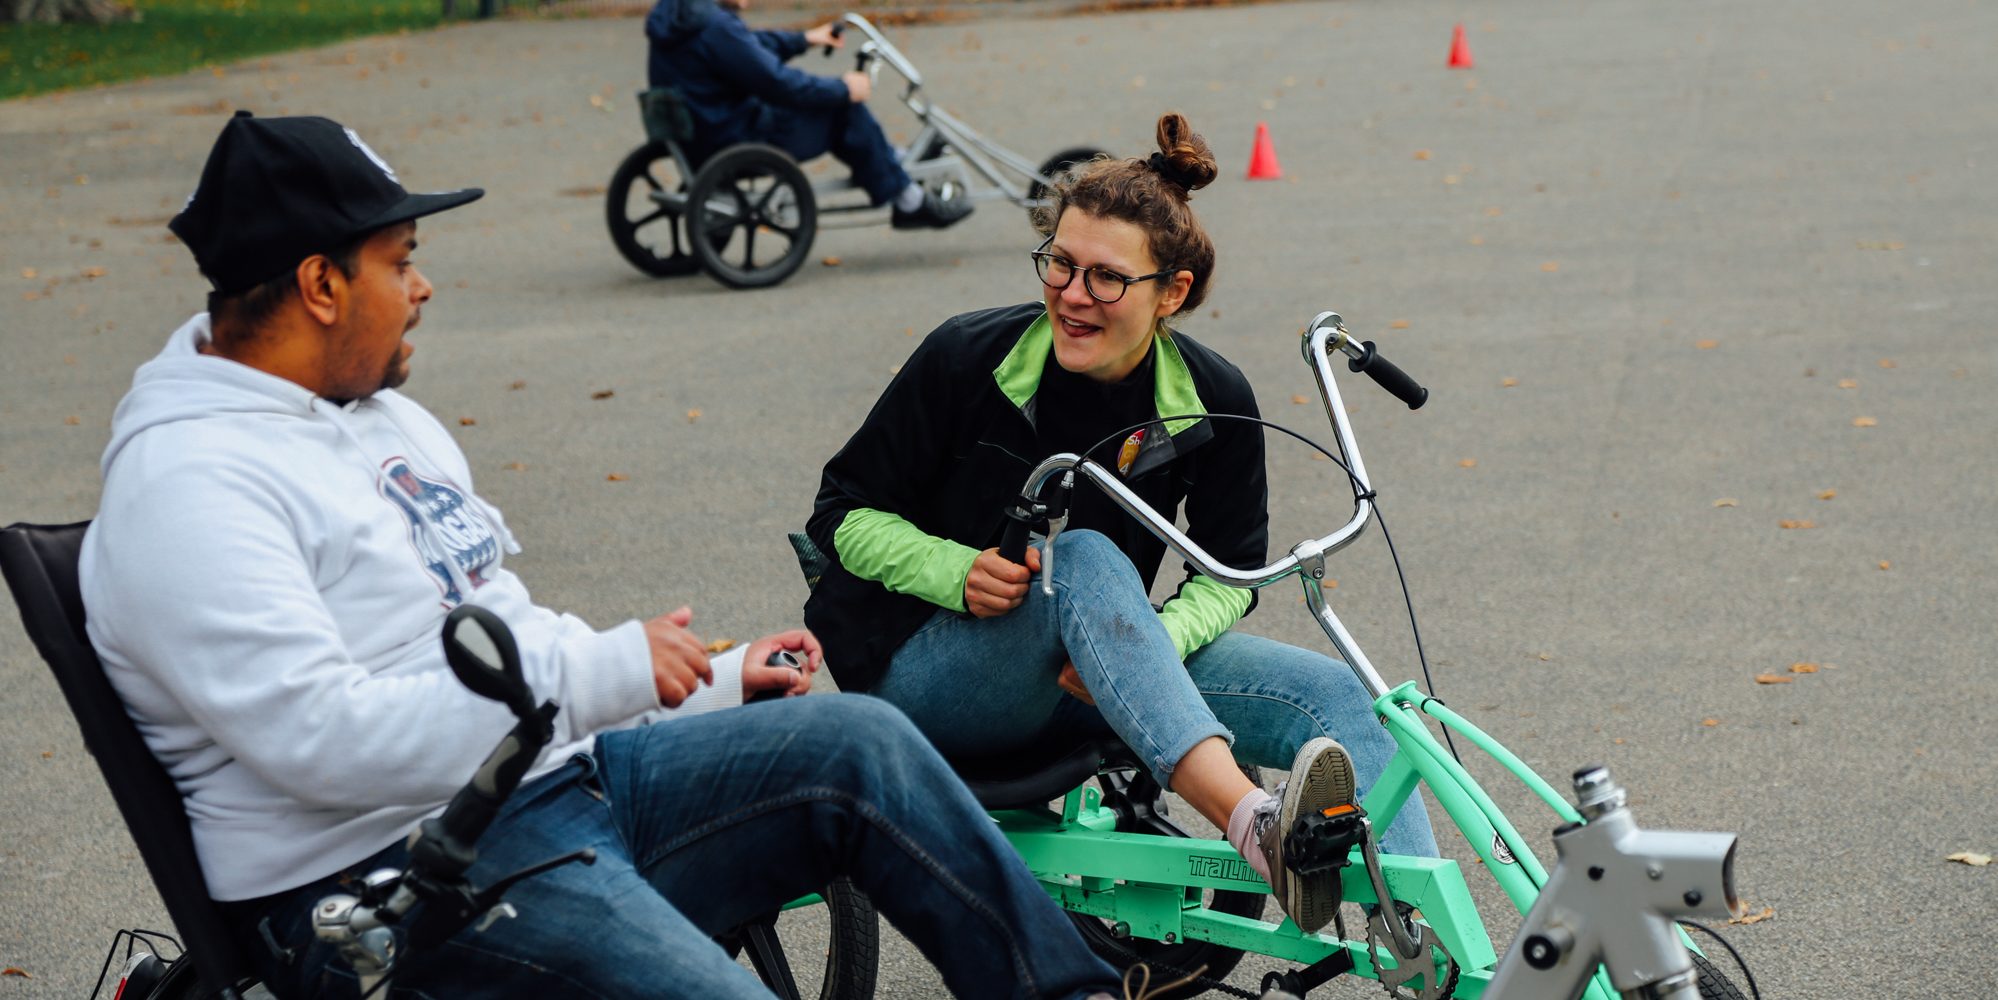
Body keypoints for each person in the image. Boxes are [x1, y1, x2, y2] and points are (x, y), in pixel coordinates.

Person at [79, 111, 1121, 999]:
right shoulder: (190, 488)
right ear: (319, 283)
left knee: (863, 744)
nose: (424, 287)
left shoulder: (372, 415)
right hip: (387, 884)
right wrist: (601, 671)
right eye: (399, 263)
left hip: (551, 791)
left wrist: (699, 682)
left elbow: (505, 629)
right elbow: (320, 739)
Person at [803, 112, 1442, 935]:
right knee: (1088, 555)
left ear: (1169, 292)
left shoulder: (1212, 399)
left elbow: (1229, 573)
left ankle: (1426, 951)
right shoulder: (964, 359)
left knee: (1340, 697)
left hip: (1095, 674)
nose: (1072, 294)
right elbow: (841, 516)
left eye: (1105, 278)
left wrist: (1152, 640)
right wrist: (952, 569)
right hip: (930, 675)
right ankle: (1254, 826)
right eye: (1060, 264)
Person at [643, 0, 970, 229]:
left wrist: (804, 39)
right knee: (841, 110)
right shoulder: (717, 27)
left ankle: (885, 157)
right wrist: (844, 89)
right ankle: (908, 201)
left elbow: (751, 45)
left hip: (705, 132)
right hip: (736, 138)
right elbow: (777, 82)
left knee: (822, 106)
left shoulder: (680, 15)